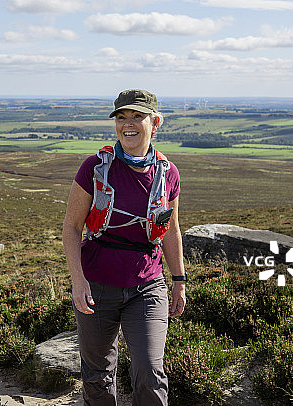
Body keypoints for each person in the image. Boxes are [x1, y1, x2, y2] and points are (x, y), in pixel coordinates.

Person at [62, 89, 187, 406]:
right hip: (97, 284)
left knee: (149, 369)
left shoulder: (168, 174)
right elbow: (72, 227)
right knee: (98, 374)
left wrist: (179, 281)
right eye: (121, 117)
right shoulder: (94, 168)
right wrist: (78, 281)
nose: (127, 125)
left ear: (155, 122)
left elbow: (171, 230)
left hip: (147, 283)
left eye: (137, 117)